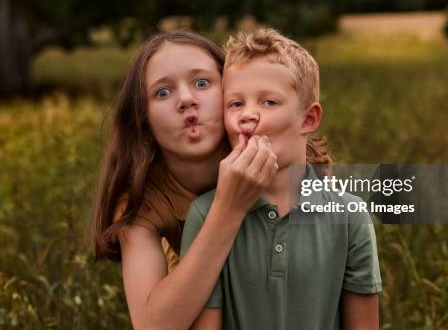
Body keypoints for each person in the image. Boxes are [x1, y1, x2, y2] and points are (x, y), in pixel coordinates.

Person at [181, 28, 382, 329]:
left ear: (308, 119)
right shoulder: (205, 214)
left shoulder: (351, 218)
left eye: (268, 102)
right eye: (236, 104)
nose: (247, 115)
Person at [90, 31, 280, 330]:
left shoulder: (275, 152)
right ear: (143, 119)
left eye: (202, 83)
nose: (186, 100)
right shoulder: (143, 197)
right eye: (162, 93)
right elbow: (153, 325)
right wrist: (228, 208)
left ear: (231, 91)